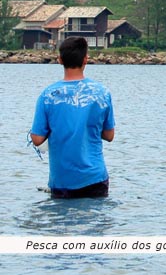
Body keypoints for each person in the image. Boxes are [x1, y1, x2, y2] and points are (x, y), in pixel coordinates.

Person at [30, 36, 115, 198]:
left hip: (62, 180)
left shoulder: (48, 95)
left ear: (60, 60)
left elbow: (37, 139)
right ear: (86, 60)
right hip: (95, 177)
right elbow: (109, 135)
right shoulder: (102, 92)